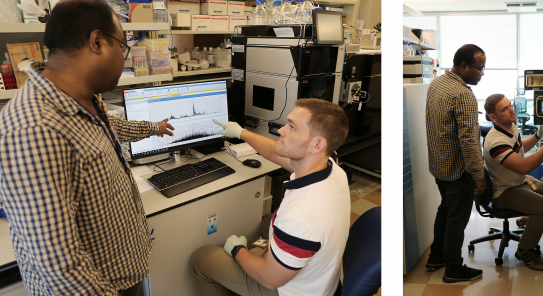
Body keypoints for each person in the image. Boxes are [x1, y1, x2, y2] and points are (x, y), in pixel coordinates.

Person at [0, 1, 175, 295]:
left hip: (123, 271)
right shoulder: (34, 128)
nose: (124, 59)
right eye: (123, 48)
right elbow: (58, 264)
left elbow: (110, 129)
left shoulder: (84, 97)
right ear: (97, 42)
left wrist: (153, 128)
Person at [190, 99, 350, 296]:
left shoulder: (299, 216)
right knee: (267, 221)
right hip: (322, 280)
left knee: (202, 258)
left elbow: (269, 279)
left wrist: (238, 250)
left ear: (317, 144)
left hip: (288, 290)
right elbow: (276, 155)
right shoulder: (332, 169)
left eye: (292, 127)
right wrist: (242, 133)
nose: (281, 130)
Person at [425, 44, 487, 283]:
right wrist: (478, 174)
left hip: (439, 165)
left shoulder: (438, 83)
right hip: (457, 169)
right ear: (463, 66)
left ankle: (436, 256)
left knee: (446, 210)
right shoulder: (464, 94)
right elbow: (469, 142)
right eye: (479, 69)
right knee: (457, 220)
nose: (482, 73)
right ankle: (453, 269)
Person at [483, 93, 543, 271]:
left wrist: (539, 136)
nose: (511, 110)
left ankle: (526, 218)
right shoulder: (495, 142)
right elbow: (524, 167)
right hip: (505, 191)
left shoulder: (510, 126)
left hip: (517, 181)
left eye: (510, 105)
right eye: (505, 109)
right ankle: (524, 250)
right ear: (493, 117)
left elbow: (519, 147)